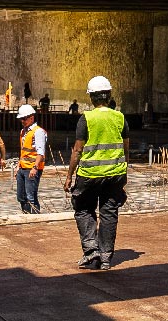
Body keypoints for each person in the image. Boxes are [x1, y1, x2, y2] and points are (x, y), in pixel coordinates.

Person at [64, 76, 128, 270]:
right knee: (109, 212)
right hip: (115, 173)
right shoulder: (120, 118)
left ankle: (91, 251)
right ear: (109, 96)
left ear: (91, 97)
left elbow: (77, 150)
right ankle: (106, 257)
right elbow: (126, 149)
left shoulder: (87, 119)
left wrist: (69, 176)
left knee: (83, 208)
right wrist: (123, 175)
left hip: (90, 174)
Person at [15, 104, 48, 214]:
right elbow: (23, 152)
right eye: (21, 119)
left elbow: (40, 152)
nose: (22, 121)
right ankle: (26, 214)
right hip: (22, 168)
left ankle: (34, 216)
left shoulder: (38, 132)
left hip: (32, 169)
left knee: (31, 196)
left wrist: (35, 167)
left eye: (24, 119)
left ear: (31, 117)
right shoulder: (23, 132)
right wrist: (18, 166)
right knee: (21, 196)